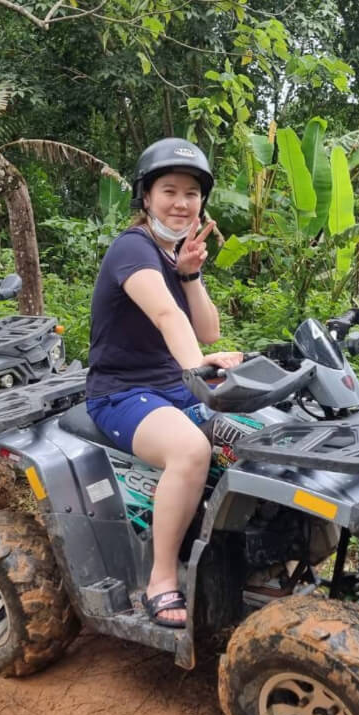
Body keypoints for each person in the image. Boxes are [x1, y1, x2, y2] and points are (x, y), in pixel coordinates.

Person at [86, 138, 243, 628]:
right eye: (169, 190)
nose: (181, 203)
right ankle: (161, 579)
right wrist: (199, 373)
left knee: (260, 436)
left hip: (172, 386)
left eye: (192, 193)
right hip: (121, 393)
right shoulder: (132, 248)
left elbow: (208, 331)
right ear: (145, 197)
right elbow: (165, 315)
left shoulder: (177, 254)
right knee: (191, 450)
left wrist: (192, 274)